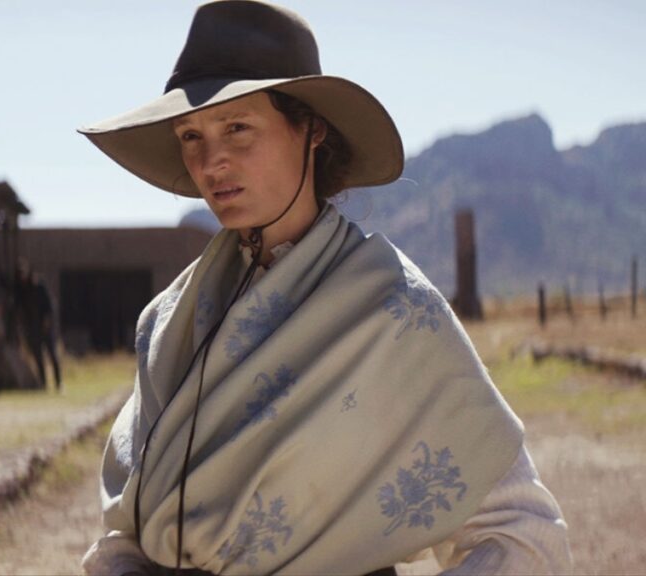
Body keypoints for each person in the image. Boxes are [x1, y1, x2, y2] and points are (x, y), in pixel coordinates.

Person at [77, 2, 572, 575]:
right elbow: (126, 534)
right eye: (191, 135)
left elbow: (524, 536)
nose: (210, 162)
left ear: (311, 129)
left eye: (237, 127)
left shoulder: (393, 313)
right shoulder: (168, 321)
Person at [16, 260, 63, 391]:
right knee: (38, 356)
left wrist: (47, 322)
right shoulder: (22, 290)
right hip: (33, 328)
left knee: (52, 354)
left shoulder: (38, 285)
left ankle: (59, 383)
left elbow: (49, 306)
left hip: (45, 327)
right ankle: (43, 383)